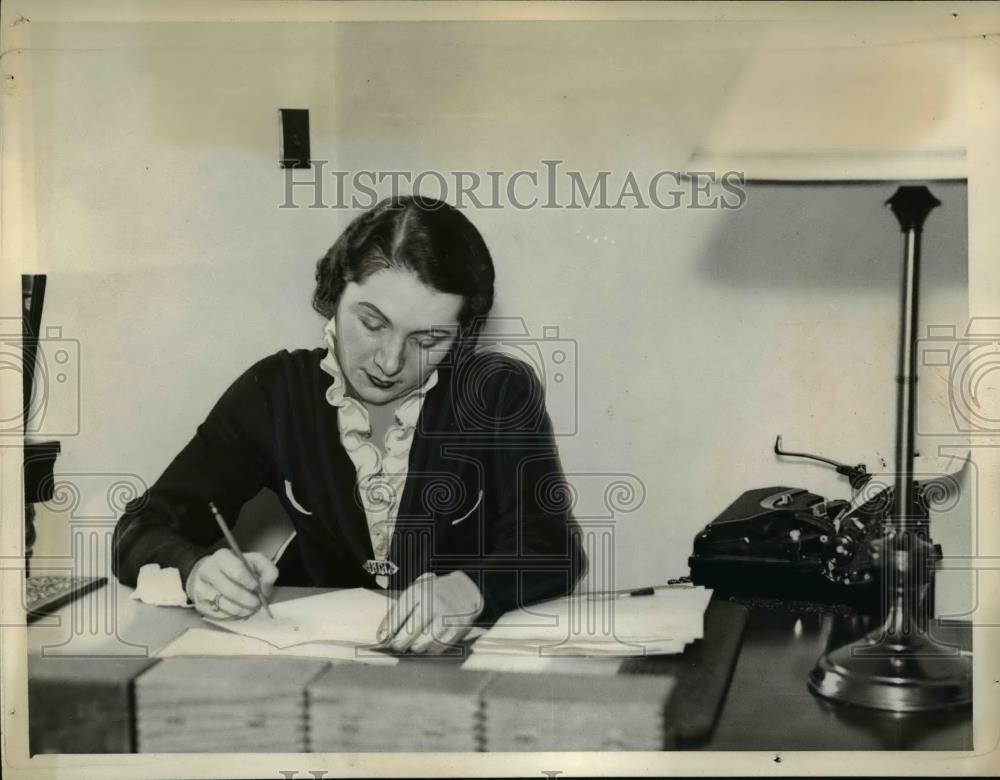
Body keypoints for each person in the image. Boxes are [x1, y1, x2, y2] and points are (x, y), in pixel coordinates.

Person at [112, 195, 586, 654]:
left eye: (429, 338)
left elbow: (556, 546)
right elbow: (140, 527)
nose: (390, 361)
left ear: (462, 335)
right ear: (336, 291)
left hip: (457, 662)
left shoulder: (498, 391)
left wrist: (472, 588)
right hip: (312, 657)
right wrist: (195, 570)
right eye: (373, 323)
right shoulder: (275, 391)